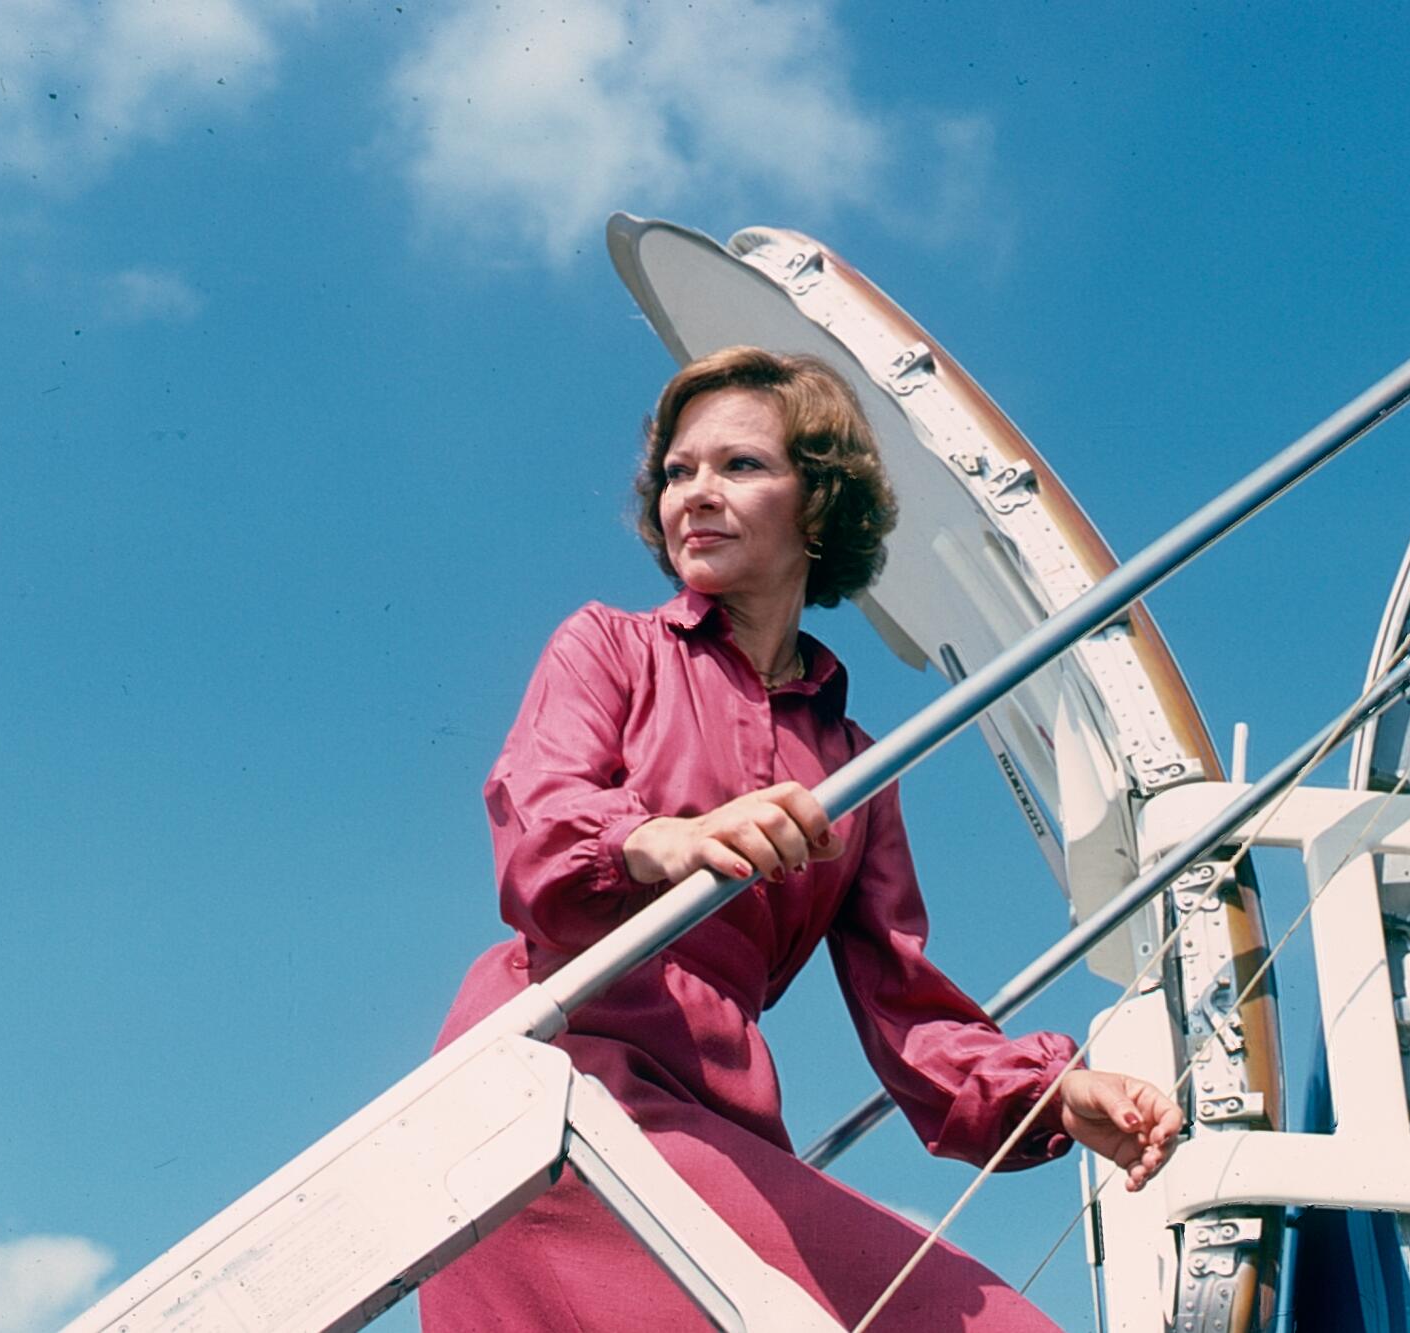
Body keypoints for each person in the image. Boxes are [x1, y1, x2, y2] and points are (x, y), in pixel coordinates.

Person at [420, 346, 1181, 1331]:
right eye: (678, 472)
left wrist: (1051, 1091)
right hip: (559, 1079)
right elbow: (535, 824)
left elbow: (905, 1006)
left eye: (738, 466)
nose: (693, 493)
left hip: (721, 1120)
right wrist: (666, 840)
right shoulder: (606, 644)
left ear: (818, 505)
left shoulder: (855, 768)